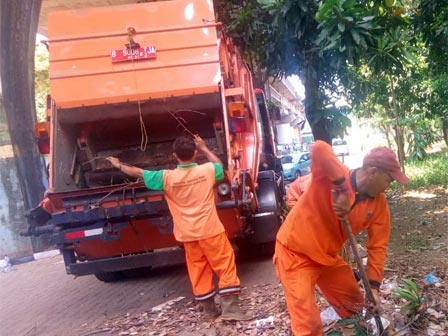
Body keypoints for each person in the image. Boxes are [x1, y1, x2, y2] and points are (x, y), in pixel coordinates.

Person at [106, 135, 251, 322]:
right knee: (224, 266)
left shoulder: (166, 177)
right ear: (195, 153)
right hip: (210, 230)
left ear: (174, 155)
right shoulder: (206, 171)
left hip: (187, 235)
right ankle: (230, 309)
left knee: (198, 270)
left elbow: (139, 173)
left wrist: (118, 165)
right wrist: (206, 148)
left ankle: (210, 312)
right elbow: (220, 166)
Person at [274, 140, 410, 335]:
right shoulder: (330, 176)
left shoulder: (379, 205)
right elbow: (319, 148)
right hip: (295, 252)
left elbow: (377, 246)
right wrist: (342, 190)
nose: (388, 186)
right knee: (308, 325)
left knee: (354, 305)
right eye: (389, 180)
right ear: (372, 172)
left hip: (327, 257)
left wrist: (373, 287)